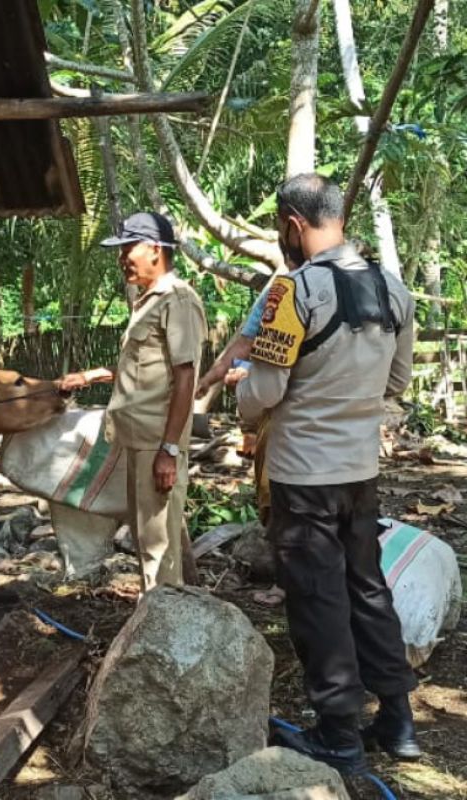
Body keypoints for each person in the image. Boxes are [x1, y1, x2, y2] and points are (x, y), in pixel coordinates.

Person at [235, 173, 419, 775]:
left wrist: (243, 396)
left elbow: (263, 392)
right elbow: (396, 383)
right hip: (360, 472)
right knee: (367, 588)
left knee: (317, 598)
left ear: (292, 224)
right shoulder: (393, 290)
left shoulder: (294, 292)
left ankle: (338, 732)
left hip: (302, 476)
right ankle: (396, 718)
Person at [60, 212, 207, 591]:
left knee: (158, 546)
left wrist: (169, 449)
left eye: (128, 248)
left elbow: (185, 376)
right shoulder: (148, 302)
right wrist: (92, 375)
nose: (122, 257)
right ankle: (156, 621)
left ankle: (164, 628)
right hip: (137, 439)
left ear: (155, 250)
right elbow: (143, 368)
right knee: (146, 540)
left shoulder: (178, 300)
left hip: (157, 441)